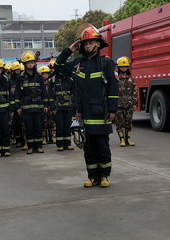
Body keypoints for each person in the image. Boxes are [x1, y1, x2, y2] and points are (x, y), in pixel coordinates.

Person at [55, 24, 118, 188]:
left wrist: (112, 109)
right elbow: (58, 66)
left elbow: (113, 87)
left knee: (102, 147)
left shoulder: (107, 64)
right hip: (83, 114)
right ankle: (93, 177)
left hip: (101, 112)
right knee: (88, 148)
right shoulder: (77, 64)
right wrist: (69, 50)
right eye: (85, 43)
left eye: (91, 42)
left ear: (97, 44)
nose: (88, 45)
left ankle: (104, 176)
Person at [16, 52, 48, 154]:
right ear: (25, 64)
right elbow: (17, 93)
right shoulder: (20, 78)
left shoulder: (39, 77)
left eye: (32, 62)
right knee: (29, 128)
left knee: (38, 127)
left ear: (34, 63)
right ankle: (30, 147)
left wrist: (46, 105)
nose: (30, 64)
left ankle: (39, 146)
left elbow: (44, 92)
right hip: (26, 108)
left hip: (38, 108)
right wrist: (18, 107)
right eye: (28, 62)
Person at [50, 60, 75, 151]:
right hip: (58, 108)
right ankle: (60, 144)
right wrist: (52, 107)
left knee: (68, 125)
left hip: (68, 108)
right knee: (60, 126)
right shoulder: (53, 79)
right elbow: (50, 95)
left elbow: (74, 93)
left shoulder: (70, 79)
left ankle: (67, 143)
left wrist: (73, 107)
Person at [115, 56, 137, 147]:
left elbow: (134, 92)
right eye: (121, 67)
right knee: (119, 123)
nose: (123, 68)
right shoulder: (116, 79)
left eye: (125, 66)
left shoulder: (131, 79)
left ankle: (128, 140)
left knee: (129, 123)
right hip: (118, 105)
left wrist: (134, 103)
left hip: (129, 105)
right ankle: (122, 140)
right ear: (119, 67)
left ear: (127, 67)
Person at [8, 60, 25, 149]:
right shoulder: (10, 81)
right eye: (16, 70)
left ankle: (24, 141)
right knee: (16, 125)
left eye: (19, 70)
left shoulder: (23, 78)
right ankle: (18, 140)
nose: (17, 72)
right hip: (14, 106)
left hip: (23, 104)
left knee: (24, 124)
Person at [39, 65, 56, 145]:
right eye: (43, 74)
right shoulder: (39, 84)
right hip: (42, 106)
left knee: (50, 122)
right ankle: (44, 138)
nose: (44, 75)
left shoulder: (51, 84)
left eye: (46, 74)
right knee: (43, 123)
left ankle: (51, 137)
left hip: (50, 105)